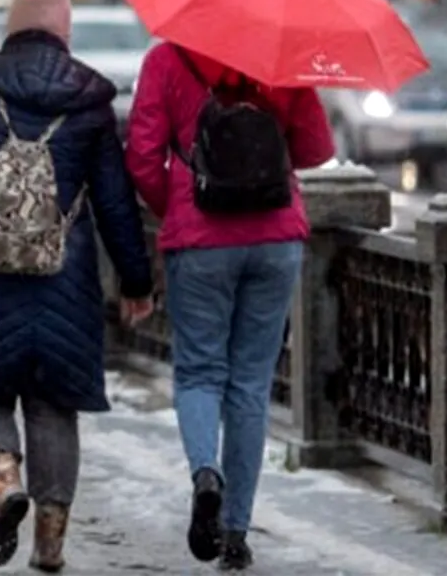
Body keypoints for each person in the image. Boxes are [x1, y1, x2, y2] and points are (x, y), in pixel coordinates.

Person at [0, 0, 154, 572]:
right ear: (63, 35)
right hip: (63, 284)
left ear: (8, 30)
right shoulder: (90, 101)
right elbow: (117, 202)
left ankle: (3, 479)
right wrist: (137, 280)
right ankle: (49, 544)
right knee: (54, 405)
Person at [125, 43, 334, 570]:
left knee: (199, 373)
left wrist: (174, 207)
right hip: (275, 237)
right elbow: (314, 147)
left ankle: (204, 474)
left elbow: (143, 158)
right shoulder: (279, 56)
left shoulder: (166, 61)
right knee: (250, 385)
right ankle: (236, 532)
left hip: (199, 240)